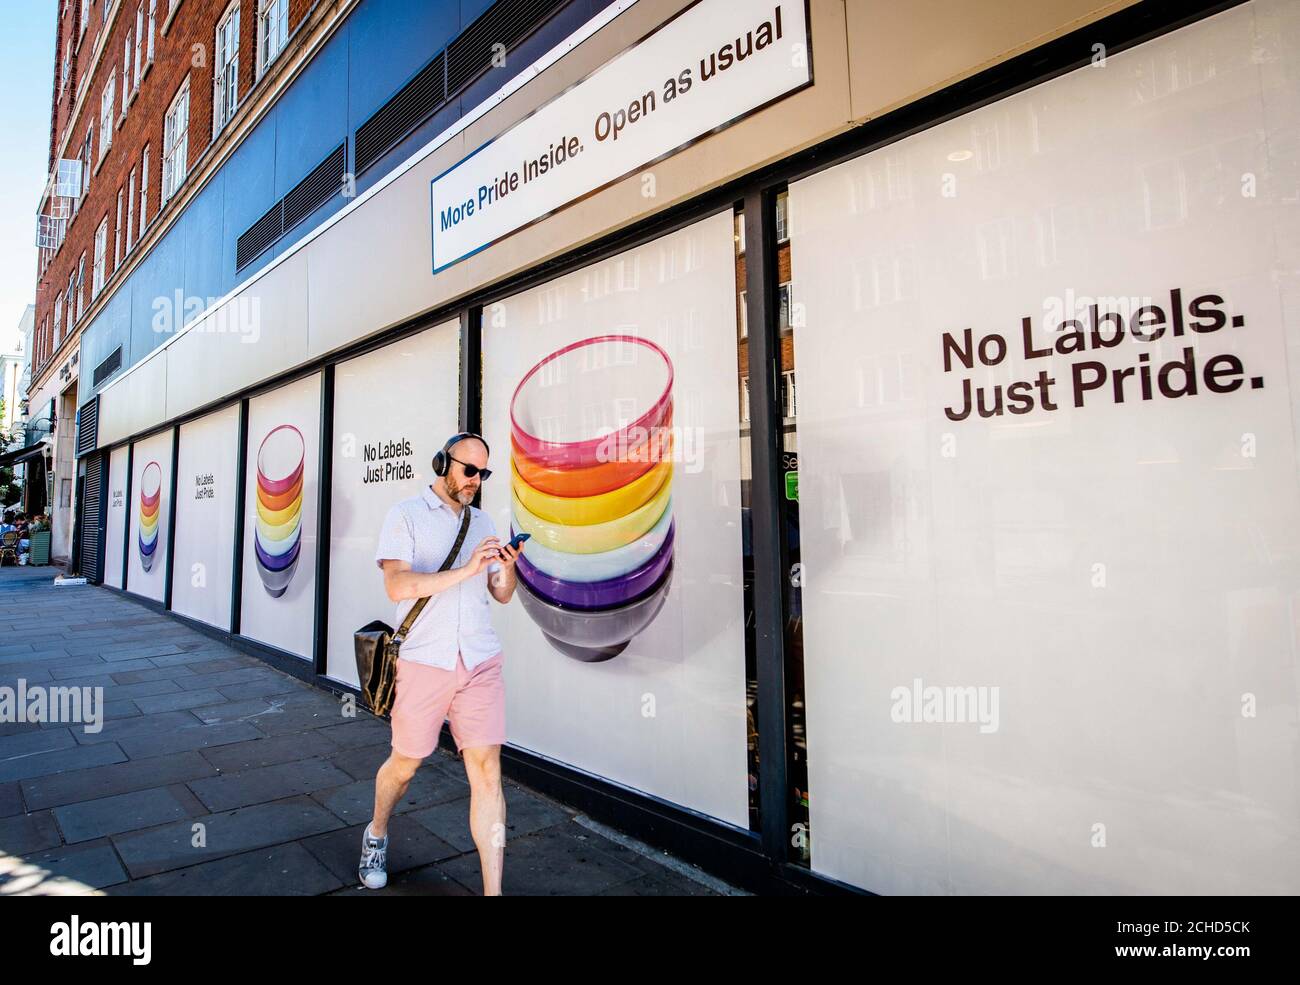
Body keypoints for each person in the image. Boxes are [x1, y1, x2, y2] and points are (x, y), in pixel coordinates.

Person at [361, 432, 520, 894]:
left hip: (480, 658)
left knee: (487, 772)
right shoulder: (405, 515)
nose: (475, 480)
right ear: (441, 464)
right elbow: (397, 586)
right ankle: (376, 832)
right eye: (468, 470)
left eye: (483, 473)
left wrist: (507, 567)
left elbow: (502, 594)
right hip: (424, 660)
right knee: (405, 765)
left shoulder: (484, 521)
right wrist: (466, 570)